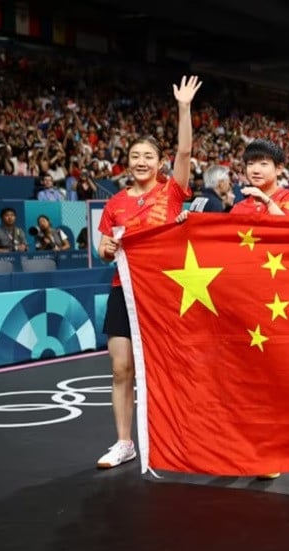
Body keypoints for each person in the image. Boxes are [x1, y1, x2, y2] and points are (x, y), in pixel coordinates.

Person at [95, 75, 202, 469]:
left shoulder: (171, 192)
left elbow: (186, 150)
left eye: (148, 157)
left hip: (165, 294)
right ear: (129, 162)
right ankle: (124, 442)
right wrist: (105, 247)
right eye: (135, 157)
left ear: (160, 164)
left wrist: (184, 107)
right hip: (124, 292)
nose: (141, 162)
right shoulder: (116, 203)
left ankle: (185, 437)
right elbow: (104, 247)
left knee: (172, 369)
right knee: (121, 367)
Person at [229, 140, 289, 217]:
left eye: (263, 164)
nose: (255, 170)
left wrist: (268, 203)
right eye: (250, 164)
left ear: (278, 169)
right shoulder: (239, 208)